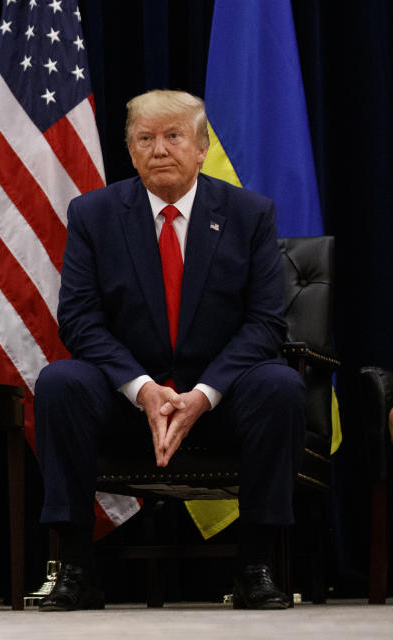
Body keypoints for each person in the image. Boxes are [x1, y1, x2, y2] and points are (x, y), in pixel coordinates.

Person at [34, 90, 305, 611]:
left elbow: (265, 322)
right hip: (127, 398)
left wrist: (203, 394)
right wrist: (142, 390)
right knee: (60, 383)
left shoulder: (250, 214)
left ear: (201, 147)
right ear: (131, 152)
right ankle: (75, 567)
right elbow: (80, 319)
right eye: (145, 138)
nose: (160, 149)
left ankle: (255, 566)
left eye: (174, 136)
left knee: (280, 386)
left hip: (221, 398)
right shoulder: (94, 214)